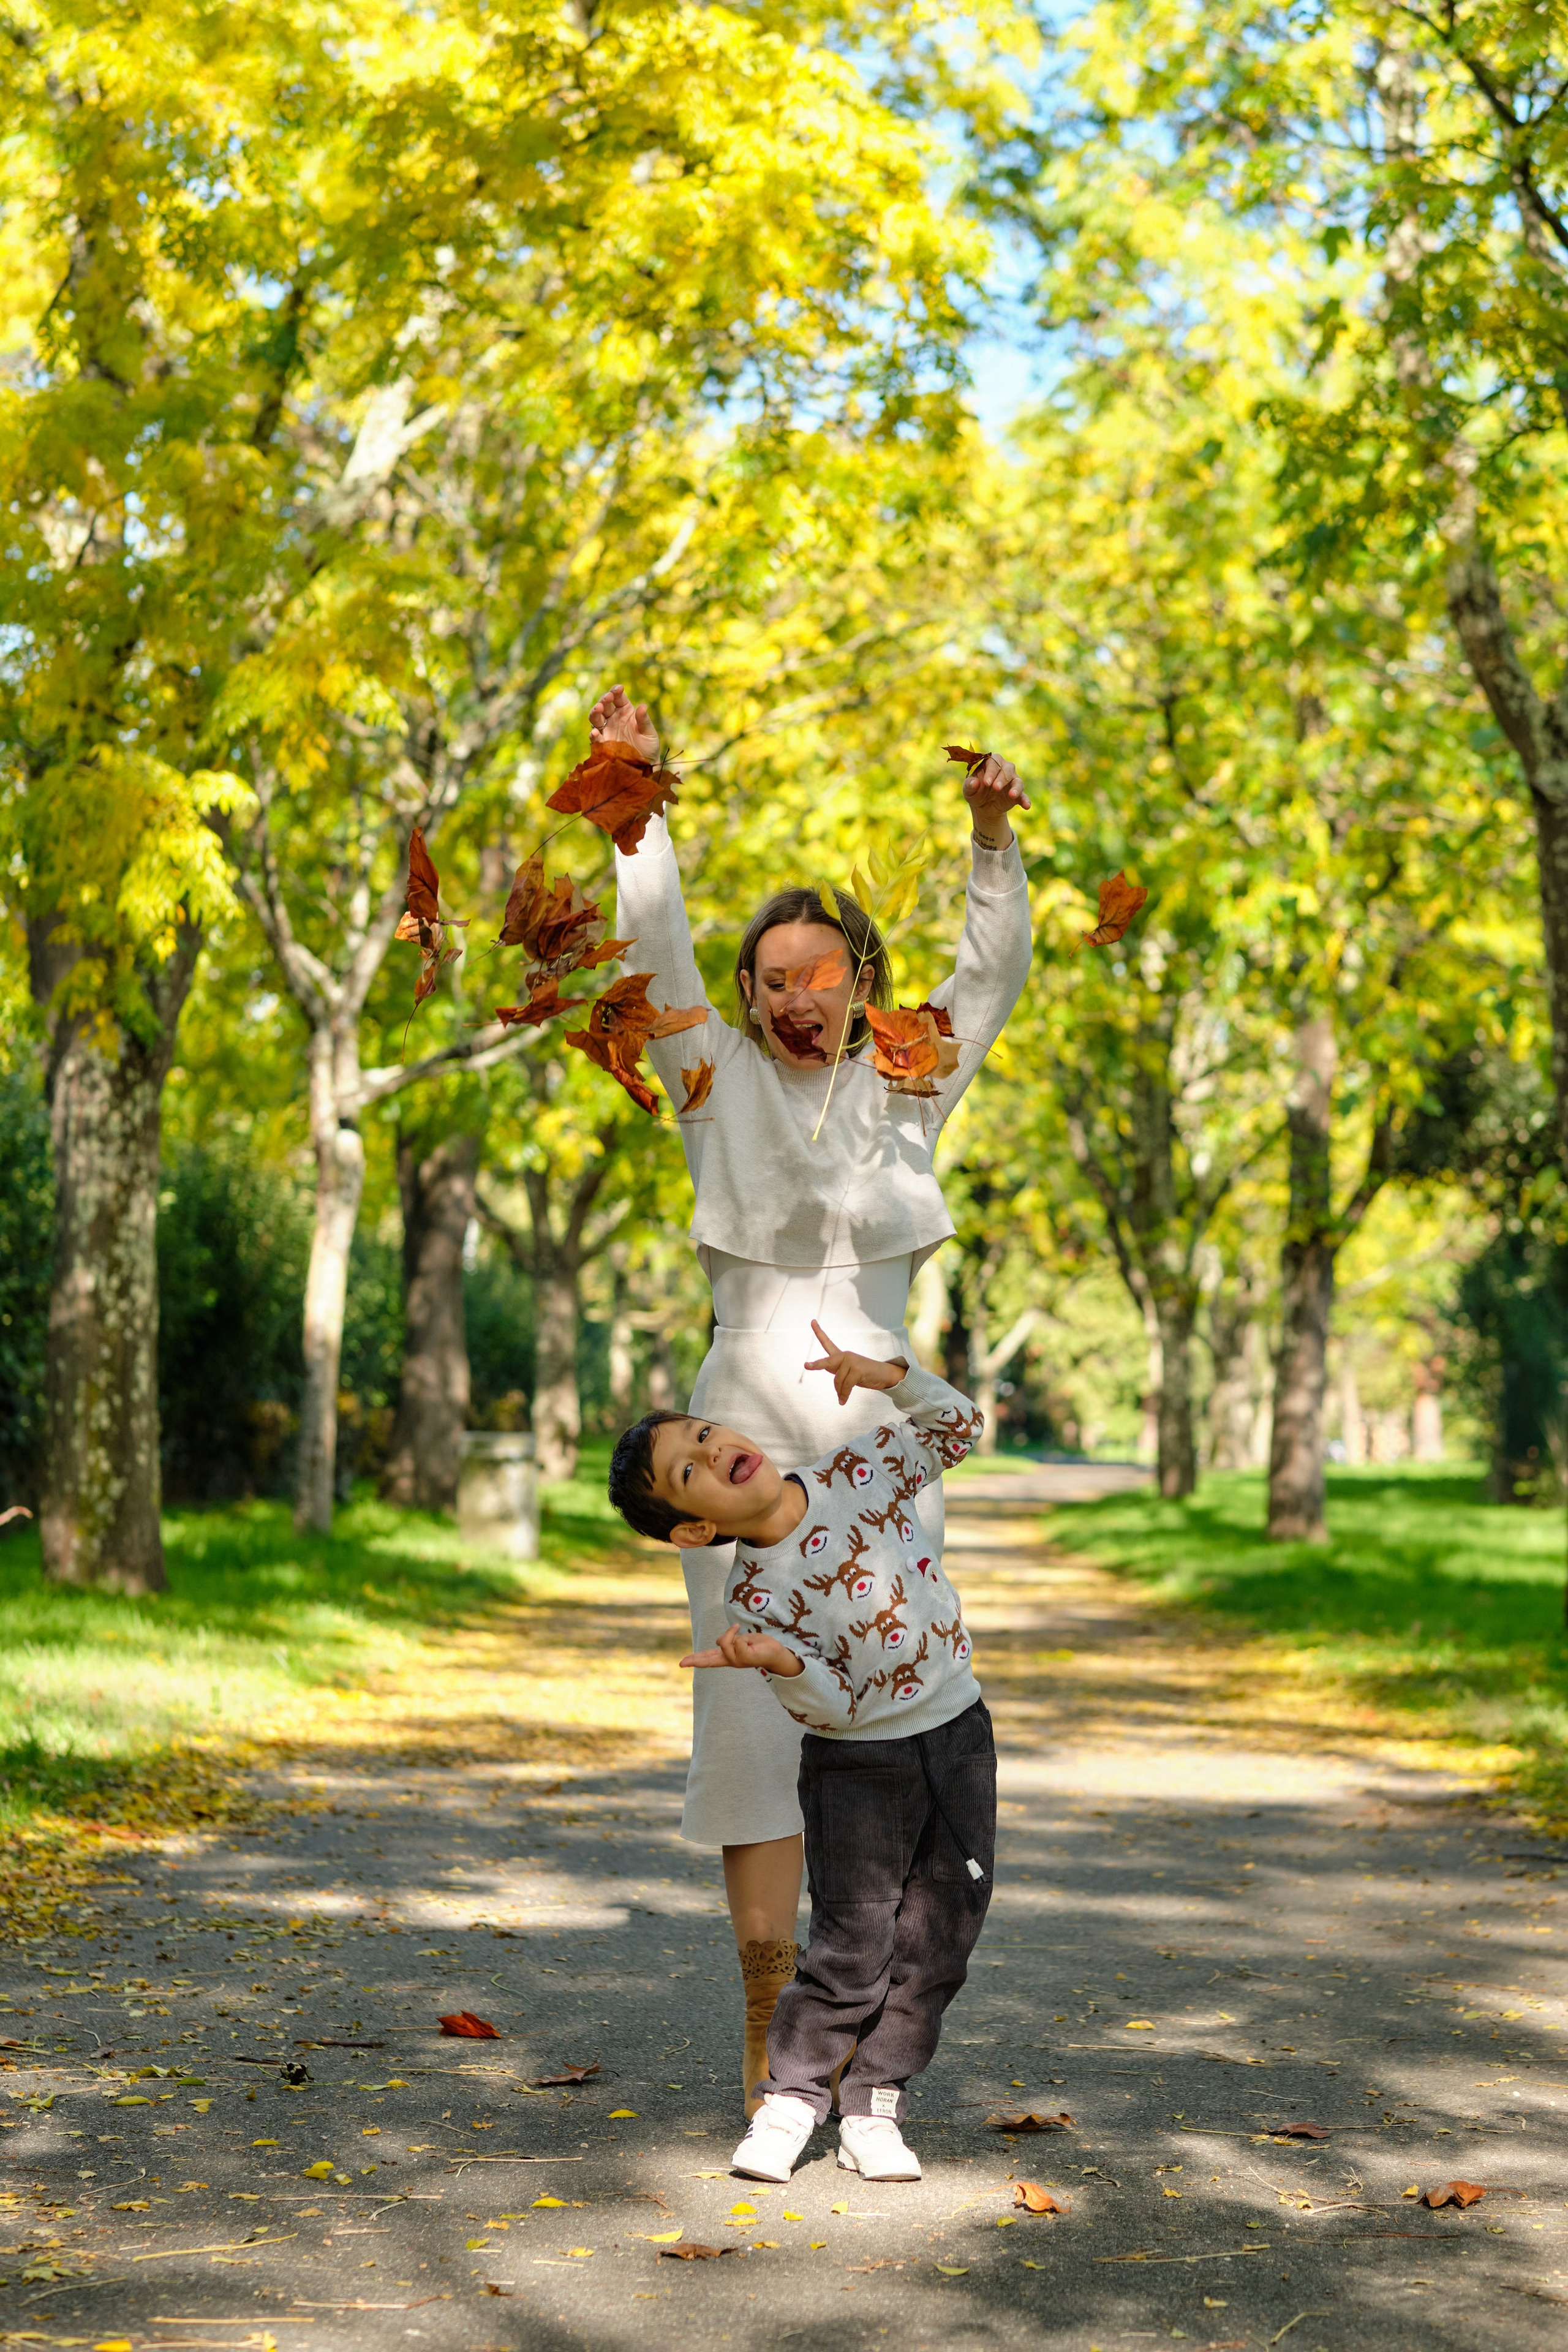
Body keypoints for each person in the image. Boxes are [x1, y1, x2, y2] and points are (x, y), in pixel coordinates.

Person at [596, 680, 1030, 2113]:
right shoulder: (708, 1079)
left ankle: (866, 2037)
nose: (795, 995)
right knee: (753, 1722)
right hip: (745, 1432)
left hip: (881, 1449)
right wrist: (635, 799)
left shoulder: (906, 1091)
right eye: (771, 976)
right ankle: (766, 2005)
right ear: (747, 993)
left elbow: (989, 980)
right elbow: (649, 944)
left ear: (857, 977)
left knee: (888, 1723)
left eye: (820, 972)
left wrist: (986, 840)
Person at [607, 1322, 992, 2182]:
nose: (714, 1453)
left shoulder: (860, 1468)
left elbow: (958, 1428)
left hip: (958, 1732)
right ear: (696, 1529)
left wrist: (893, 1377)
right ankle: (790, 2099)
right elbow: (830, 1703)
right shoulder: (752, 1599)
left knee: (942, 1933)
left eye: (706, 1435)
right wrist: (783, 1663)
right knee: (852, 1939)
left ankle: (876, 2106)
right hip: (858, 1765)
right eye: (688, 1471)